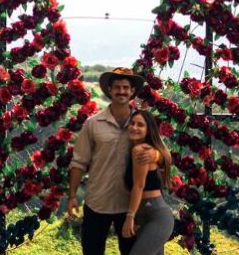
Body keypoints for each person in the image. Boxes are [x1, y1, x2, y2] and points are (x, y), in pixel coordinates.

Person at [68, 67, 159, 255]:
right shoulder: (93, 124)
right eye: (117, 87)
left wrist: (155, 155)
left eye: (126, 87)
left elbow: (163, 153)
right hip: (97, 202)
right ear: (109, 90)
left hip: (130, 205)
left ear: (132, 91)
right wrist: (71, 196)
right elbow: (79, 162)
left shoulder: (141, 123)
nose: (122, 91)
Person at [121, 110, 174, 254]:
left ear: (148, 129)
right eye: (132, 123)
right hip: (144, 215)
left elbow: (139, 185)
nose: (134, 127)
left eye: (140, 125)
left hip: (156, 216)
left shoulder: (141, 150)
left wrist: (130, 217)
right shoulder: (136, 149)